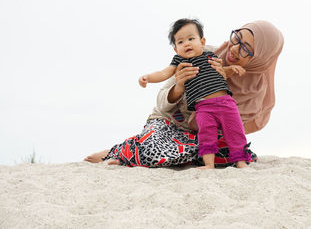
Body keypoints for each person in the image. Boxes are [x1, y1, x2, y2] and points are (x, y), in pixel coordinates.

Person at [84, 20, 284, 168]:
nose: (235, 49)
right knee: (156, 142)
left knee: (229, 155)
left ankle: (136, 152)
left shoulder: (257, 91)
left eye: (246, 49)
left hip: (203, 133)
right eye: (237, 38)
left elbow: (234, 128)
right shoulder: (202, 54)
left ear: (261, 58)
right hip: (170, 121)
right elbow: (162, 105)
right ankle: (120, 151)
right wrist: (179, 85)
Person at [138, 18, 250, 169]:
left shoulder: (212, 55)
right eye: (181, 42)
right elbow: (164, 73)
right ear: (176, 50)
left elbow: (223, 72)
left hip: (226, 102)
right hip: (203, 107)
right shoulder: (179, 63)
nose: (187, 44)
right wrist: (148, 78)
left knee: (235, 131)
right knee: (206, 134)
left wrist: (232, 69)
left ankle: (241, 162)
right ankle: (208, 164)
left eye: (191, 39)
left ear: (202, 42)